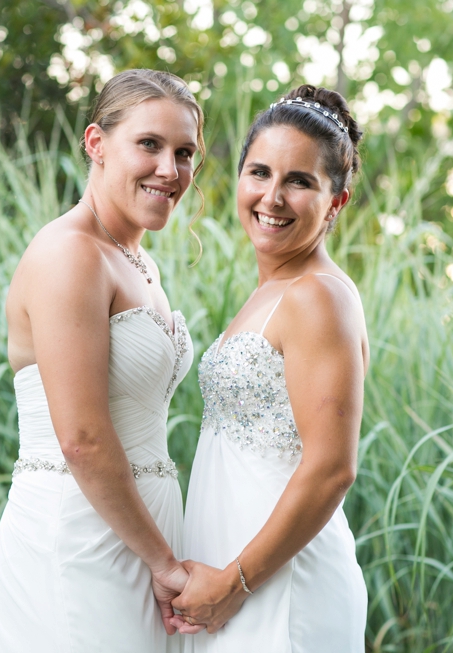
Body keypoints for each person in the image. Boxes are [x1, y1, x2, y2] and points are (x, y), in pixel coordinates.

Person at [0, 69, 205, 653]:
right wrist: (162, 562)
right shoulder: (70, 254)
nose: (171, 169)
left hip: (137, 527)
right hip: (81, 533)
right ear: (95, 143)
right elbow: (82, 437)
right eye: (150, 145)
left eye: (185, 153)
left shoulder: (137, 262)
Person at [173, 85, 370, 652]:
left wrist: (235, 582)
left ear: (338, 200)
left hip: (280, 586)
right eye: (259, 173)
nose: (273, 197)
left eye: (300, 181)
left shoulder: (317, 296)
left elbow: (332, 467)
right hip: (238, 572)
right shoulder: (272, 292)